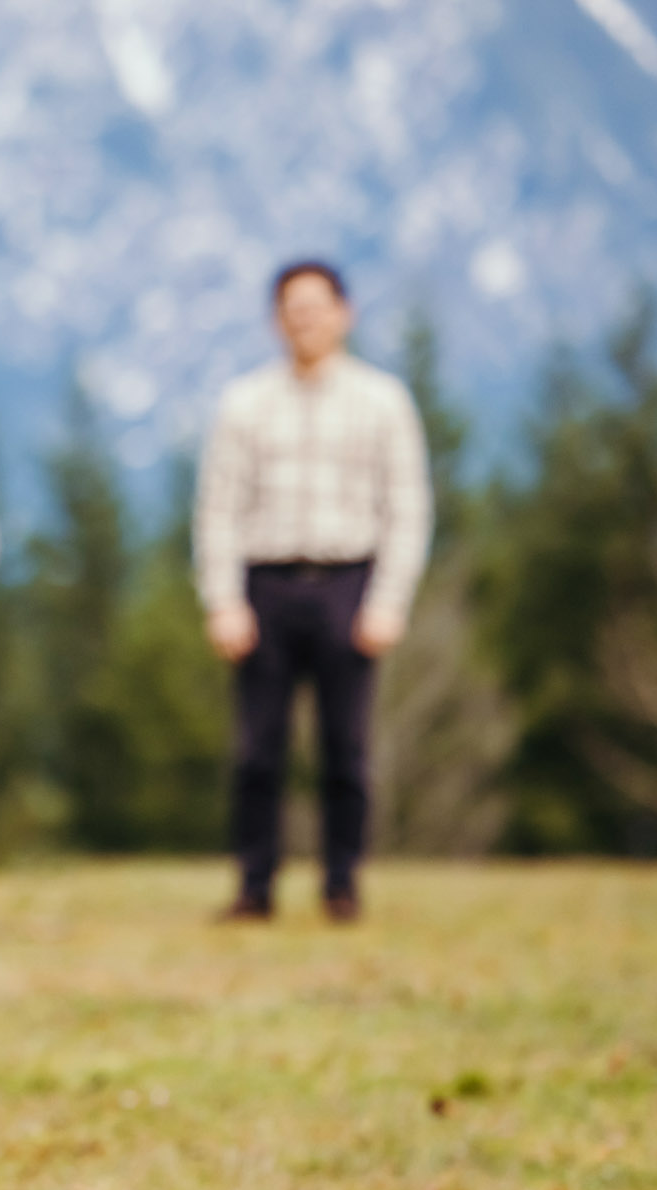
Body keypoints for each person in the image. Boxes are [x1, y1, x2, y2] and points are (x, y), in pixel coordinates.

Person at [194, 259, 431, 923]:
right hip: (263, 584)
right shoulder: (244, 403)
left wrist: (388, 601)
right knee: (257, 751)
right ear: (277, 321)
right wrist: (222, 599)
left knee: (346, 749)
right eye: (292, 309)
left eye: (316, 307)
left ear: (343, 314)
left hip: (349, 582)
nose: (305, 321)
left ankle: (341, 884)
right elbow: (218, 509)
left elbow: (407, 508)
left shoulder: (383, 401)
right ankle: (254, 886)